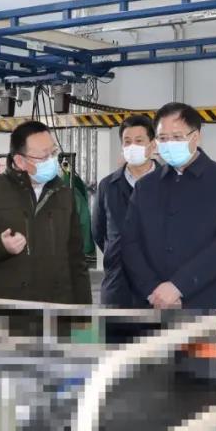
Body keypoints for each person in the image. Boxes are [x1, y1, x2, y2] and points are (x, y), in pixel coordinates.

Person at [120, 102, 216, 311]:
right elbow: (130, 242)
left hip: (212, 304)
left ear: (195, 137)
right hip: (155, 304)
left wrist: (178, 286)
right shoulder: (146, 186)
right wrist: (153, 290)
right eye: (163, 138)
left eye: (177, 137)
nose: (169, 143)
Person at [0, 120, 91, 304]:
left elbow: (76, 259)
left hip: (56, 306)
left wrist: (83, 311)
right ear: (20, 160)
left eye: (53, 153)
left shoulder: (64, 194)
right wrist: (0, 247)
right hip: (9, 308)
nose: (52, 161)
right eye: (44, 156)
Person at [92, 114, 157, 308]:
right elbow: (98, 232)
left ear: (152, 145)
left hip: (158, 290)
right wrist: (117, 254)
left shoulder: (170, 184)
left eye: (139, 141)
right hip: (117, 287)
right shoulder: (108, 186)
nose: (132, 146)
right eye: (127, 142)